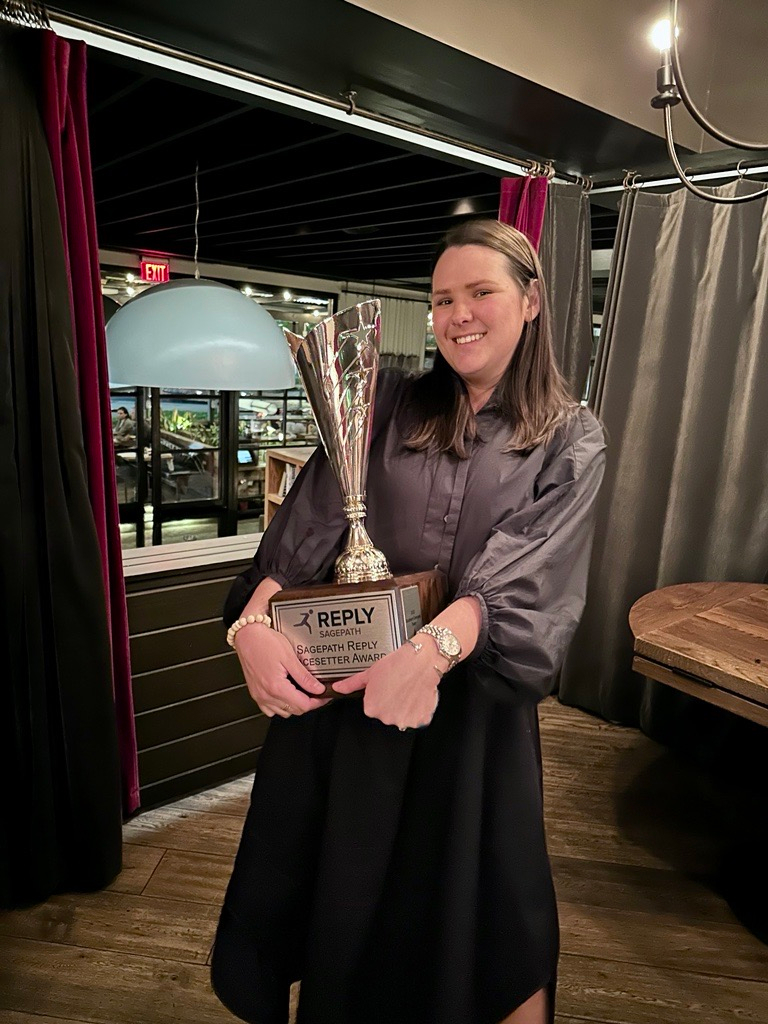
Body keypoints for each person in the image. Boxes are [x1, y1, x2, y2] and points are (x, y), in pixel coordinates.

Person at [211, 219, 606, 1024]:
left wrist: (427, 653)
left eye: (480, 294)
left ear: (530, 301)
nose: (458, 315)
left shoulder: (571, 440)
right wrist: (250, 628)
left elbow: (524, 577)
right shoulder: (386, 404)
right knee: (342, 920)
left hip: (469, 739)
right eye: (441, 300)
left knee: (491, 929)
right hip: (344, 723)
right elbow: (303, 531)